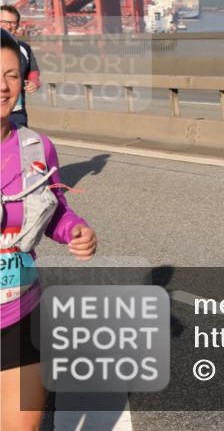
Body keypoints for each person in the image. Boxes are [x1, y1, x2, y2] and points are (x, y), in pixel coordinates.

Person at [1, 28, 97, 431]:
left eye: (10, 75)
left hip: (18, 309)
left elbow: (53, 208)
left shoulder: (37, 148)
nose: (2, 86)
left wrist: (75, 229)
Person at [0, 6, 41, 129]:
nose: (8, 26)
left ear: (17, 25)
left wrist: (34, 83)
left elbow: (33, 72)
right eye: (4, 22)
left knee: (19, 141)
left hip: (16, 113)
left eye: (13, 23)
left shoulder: (24, 48)